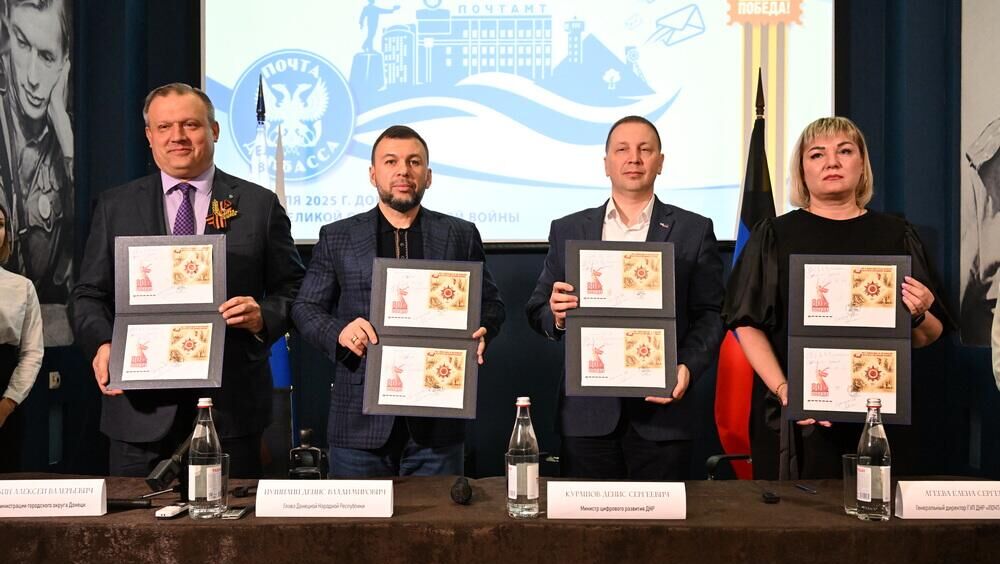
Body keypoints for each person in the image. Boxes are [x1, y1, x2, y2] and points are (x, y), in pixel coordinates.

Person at [69, 83, 304, 478]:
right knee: (135, 520)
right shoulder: (115, 206)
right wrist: (104, 343)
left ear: (214, 130)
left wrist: (263, 316)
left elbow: (295, 289)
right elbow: (88, 294)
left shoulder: (259, 205)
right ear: (149, 136)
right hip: (138, 412)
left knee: (230, 518)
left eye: (190, 125)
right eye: (164, 127)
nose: (177, 136)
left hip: (231, 408)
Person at [723, 116, 946, 480]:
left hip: (878, 419)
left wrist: (921, 313)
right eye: (817, 154)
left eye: (844, 151)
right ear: (802, 170)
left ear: (862, 164)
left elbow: (927, 335)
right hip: (795, 418)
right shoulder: (774, 235)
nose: (832, 162)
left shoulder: (896, 235)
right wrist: (785, 389)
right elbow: (746, 324)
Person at [292, 125, 504, 477]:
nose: (403, 171)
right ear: (373, 174)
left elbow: (491, 304)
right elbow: (305, 308)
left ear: (428, 176)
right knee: (357, 517)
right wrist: (339, 332)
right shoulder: (338, 236)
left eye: (414, 162)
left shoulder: (460, 234)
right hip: (358, 424)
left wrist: (485, 328)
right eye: (391, 161)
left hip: (437, 423)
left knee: (438, 516)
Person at [525, 115, 725, 480]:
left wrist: (687, 367)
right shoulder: (568, 229)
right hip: (587, 417)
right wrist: (555, 315)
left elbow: (711, 314)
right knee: (587, 518)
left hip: (665, 414)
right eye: (622, 149)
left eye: (645, 149)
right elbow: (537, 308)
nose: (634, 158)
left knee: (663, 519)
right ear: (606, 164)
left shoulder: (694, 230)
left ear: (660, 162)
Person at [0, 0, 74, 308]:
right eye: (22, 43)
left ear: (64, 64)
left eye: (46, 57)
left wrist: (66, 138)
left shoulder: (67, 143)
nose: (31, 77)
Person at [0, 200, 43, 472]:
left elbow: (32, 352)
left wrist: (7, 404)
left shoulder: (21, 287)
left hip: (5, 395)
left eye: (0, 225)